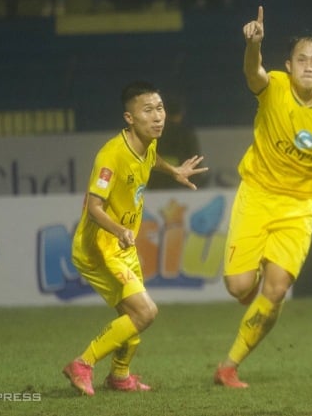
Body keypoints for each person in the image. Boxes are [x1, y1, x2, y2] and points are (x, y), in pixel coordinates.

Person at [213, 6, 312, 388]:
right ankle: (255, 283)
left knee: (277, 288)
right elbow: (254, 72)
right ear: (289, 64)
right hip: (257, 195)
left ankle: (228, 366)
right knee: (238, 288)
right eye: (302, 59)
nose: (309, 66)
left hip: (298, 208)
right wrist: (254, 45)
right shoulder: (274, 87)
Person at [62, 81, 207, 396]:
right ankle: (82, 364)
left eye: (160, 108)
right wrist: (120, 230)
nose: (157, 117)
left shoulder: (148, 142)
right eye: (148, 110)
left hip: (121, 246)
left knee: (132, 318)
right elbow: (93, 207)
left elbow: (151, 160)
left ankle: (119, 376)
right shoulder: (111, 156)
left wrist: (174, 172)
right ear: (129, 118)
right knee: (144, 312)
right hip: (99, 248)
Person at [146, 94, 205, 190]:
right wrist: (197, 181)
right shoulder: (186, 133)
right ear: (181, 113)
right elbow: (195, 159)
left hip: (158, 181)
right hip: (182, 181)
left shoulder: (154, 132)